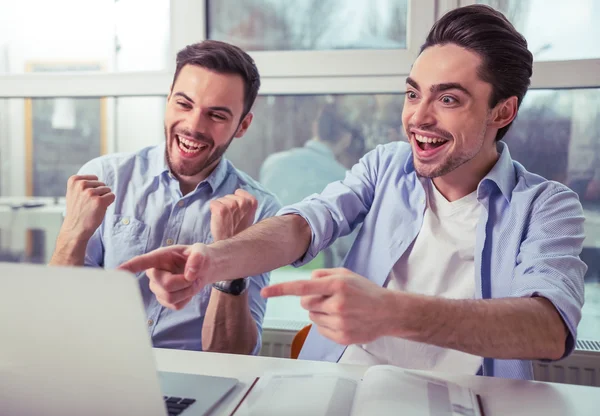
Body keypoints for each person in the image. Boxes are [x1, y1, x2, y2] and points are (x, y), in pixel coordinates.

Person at [119, 5, 586, 379]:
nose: (418, 117)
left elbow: (547, 328)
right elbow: (304, 224)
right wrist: (216, 258)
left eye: (448, 99)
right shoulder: (387, 166)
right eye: (412, 93)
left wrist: (393, 313)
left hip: (470, 412)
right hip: (340, 391)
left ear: (501, 112)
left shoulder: (547, 206)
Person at [50, 41, 280, 355]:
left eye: (216, 115)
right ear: (168, 98)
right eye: (184, 104)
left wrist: (230, 258)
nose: (193, 126)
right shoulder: (105, 176)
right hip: (99, 365)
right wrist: (72, 234)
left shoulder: (260, 211)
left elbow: (233, 357)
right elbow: (57, 317)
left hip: (197, 380)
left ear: (243, 126)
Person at [259, 104, 364, 266]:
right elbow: (351, 245)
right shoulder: (345, 179)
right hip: (319, 276)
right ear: (346, 139)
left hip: (269, 270)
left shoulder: (273, 163)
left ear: (315, 128)